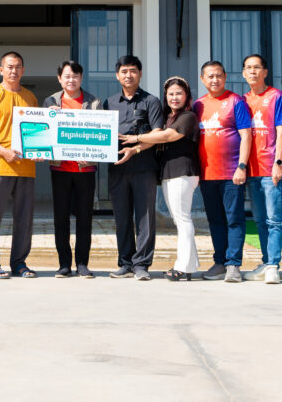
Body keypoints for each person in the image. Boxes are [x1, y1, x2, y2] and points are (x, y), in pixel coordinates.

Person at [119, 76, 199, 281]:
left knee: (182, 219)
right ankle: (189, 264)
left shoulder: (188, 116)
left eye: (179, 93)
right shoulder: (168, 117)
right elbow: (155, 140)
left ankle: (183, 266)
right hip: (169, 172)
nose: (174, 97)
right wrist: (135, 149)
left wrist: (136, 138)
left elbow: (165, 136)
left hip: (182, 171)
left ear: (187, 96)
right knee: (180, 219)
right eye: (171, 94)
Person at [0, 51, 40, 279]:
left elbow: (37, 130)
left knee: (24, 219)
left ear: (23, 70)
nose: (14, 70)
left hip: (26, 167)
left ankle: (19, 263)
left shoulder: (30, 97)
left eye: (18, 66)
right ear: (1, 70)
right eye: (9, 67)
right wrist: (3, 151)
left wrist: (40, 150)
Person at [102, 55, 163, 282]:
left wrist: (136, 147)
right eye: (124, 71)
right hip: (117, 168)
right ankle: (125, 263)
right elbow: (100, 134)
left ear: (140, 74)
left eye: (133, 71)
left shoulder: (151, 101)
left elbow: (157, 135)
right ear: (117, 75)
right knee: (122, 218)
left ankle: (141, 265)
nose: (129, 75)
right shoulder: (109, 103)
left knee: (145, 218)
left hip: (144, 168)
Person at [192, 61, 251, 284]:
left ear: (225, 77)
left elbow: (246, 135)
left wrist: (241, 166)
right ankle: (219, 262)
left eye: (218, 75)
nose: (214, 80)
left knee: (234, 219)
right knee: (215, 220)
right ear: (202, 79)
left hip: (231, 174)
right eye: (210, 76)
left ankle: (233, 264)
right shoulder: (198, 105)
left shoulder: (236, 101)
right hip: (207, 175)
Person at [44, 61, 101, 278]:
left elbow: (100, 133)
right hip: (60, 168)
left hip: (85, 169)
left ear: (81, 78)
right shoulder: (51, 101)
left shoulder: (93, 102)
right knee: (61, 218)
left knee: (85, 218)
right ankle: (64, 264)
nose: (71, 80)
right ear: (60, 78)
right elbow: (44, 133)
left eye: (75, 76)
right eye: (67, 76)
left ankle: (83, 263)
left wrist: (93, 154)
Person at [241, 54, 282, 285]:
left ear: (265, 72)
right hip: (251, 169)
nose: (253, 71)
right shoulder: (242, 100)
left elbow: (281, 131)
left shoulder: (275, 96)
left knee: (274, 220)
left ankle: (274, 266)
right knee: (260, 220)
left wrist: (278, 162)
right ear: (243, 73)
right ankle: (266, 262)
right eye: (248, 68)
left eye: (257, 67)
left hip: (271, 169)